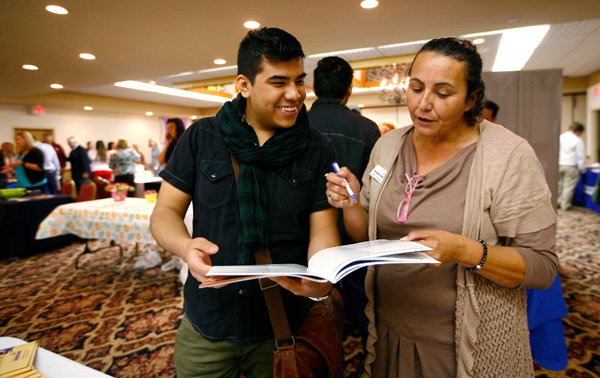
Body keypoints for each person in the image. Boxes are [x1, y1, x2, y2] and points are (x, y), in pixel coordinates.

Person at [326, 37, 559, 377]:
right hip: (387, 329)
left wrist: (465, 250)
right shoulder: (388, 145)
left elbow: (542, 266)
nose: (423, 104)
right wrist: (350, 203)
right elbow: (367, 235)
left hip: (467, 344)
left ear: (472, 98)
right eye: (416, 88)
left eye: (443, 94)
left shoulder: (507, 155)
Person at [150, 27, 340, 377]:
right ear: (244, 85)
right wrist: (184, 246)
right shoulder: (202, 138)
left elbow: (323, 227)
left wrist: (322, 274)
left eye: (299, 81)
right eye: (279, 82)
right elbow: (164, 212)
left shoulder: (316, 147)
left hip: (280, 324)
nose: (295, 94)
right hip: (209, 318)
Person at [308, 55, 380, 347]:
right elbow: (375, 186)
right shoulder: (366, 128)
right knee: (363, 306)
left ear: (313, 87)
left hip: (306, 233)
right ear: (349, 89)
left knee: (312, 310)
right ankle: (371, 359)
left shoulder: (293, 125)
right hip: (354, 232)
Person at [558, 122, 586, 210]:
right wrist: (582, 169)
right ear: (578, 131)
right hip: (571, 165)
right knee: (568, 186)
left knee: (559, 185)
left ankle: (557, 202)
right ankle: (565, 205)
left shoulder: (561, 137)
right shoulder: (577, 140)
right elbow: (580, 157)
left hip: (559, 164)